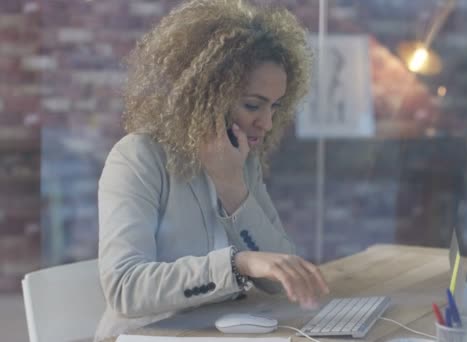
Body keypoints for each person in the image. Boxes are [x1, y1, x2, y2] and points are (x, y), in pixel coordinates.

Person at [95, 0, 329, 340]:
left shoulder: (241, 162)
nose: (266, 123)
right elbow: (125, 288)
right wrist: (237, 264)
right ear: (205, 94)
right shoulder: (138, 158)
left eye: (274, 107)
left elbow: (278, 275)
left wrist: (231, 185)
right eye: (253, 105)